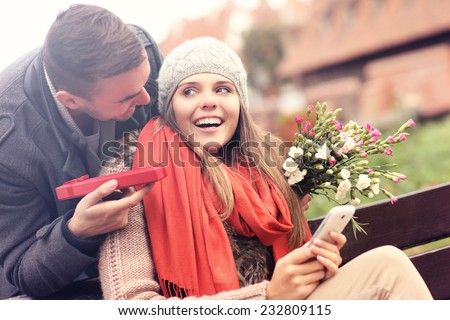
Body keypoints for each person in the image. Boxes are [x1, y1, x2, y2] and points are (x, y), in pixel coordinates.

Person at [98, 37, 433, 300]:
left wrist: (312, 271)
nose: (209, 100)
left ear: (239, 104)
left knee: (387, 267)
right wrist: (268, 297)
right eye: (189, 91)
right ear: (169, 108)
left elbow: (289, 280)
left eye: (223, 89)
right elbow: (131, 303)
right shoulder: (133, 175)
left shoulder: (268, 170)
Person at [0, 4, 163, 299]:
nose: (147, 97)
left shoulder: (142, 49)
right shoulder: (9, 143)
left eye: (146, 80)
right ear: (71, 101)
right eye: (128, 97)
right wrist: (77, 234)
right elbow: (22, 272)